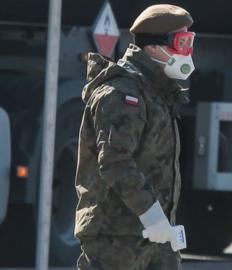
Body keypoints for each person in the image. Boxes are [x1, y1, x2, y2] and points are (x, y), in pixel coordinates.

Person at [74, 4, 195, 270]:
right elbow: (115, 162)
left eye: (190, 42)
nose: (188, 52)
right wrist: (151, 215)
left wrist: (160, 223)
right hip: (116, 238)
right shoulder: (121, 93)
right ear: (153, 48)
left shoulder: (159, 92)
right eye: (182, 43)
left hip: (156, 236)